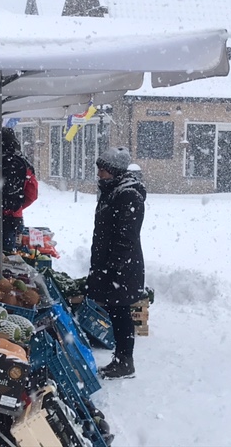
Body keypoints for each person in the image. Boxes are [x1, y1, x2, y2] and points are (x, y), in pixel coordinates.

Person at [85, 146, 146, 380]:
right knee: (116, 311)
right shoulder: (112, 191)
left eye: (103, 170)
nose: (99, 174)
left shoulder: (128, 195)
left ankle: (124, 362)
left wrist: (113, 267)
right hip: (111, 264)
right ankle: (121, 360)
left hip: (122, 267)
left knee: (121, 314)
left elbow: (126, 236)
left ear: (115, 171)